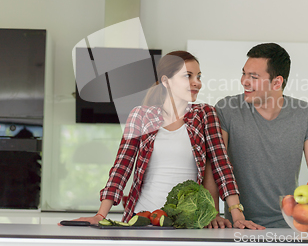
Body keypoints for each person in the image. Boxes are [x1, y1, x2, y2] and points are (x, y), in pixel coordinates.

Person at [71, 51, 264, 230]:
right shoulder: (140, 115)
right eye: (188, 76)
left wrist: (237, 215)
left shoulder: (205, 114)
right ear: (166, 81)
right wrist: (100, 215)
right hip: (142, 219)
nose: (197, 83)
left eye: (198, 76)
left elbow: (221, 165)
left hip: (187, 222)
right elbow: (122, 167)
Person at [204, 43, 308, 228]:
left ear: (277, 82)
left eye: (253, 77)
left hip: (290, 226)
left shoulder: (305, 114)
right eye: (244, 73)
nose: (244, 81)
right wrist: (213, 214)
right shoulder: (226, 110)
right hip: (238, 227)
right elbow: (214, 166)